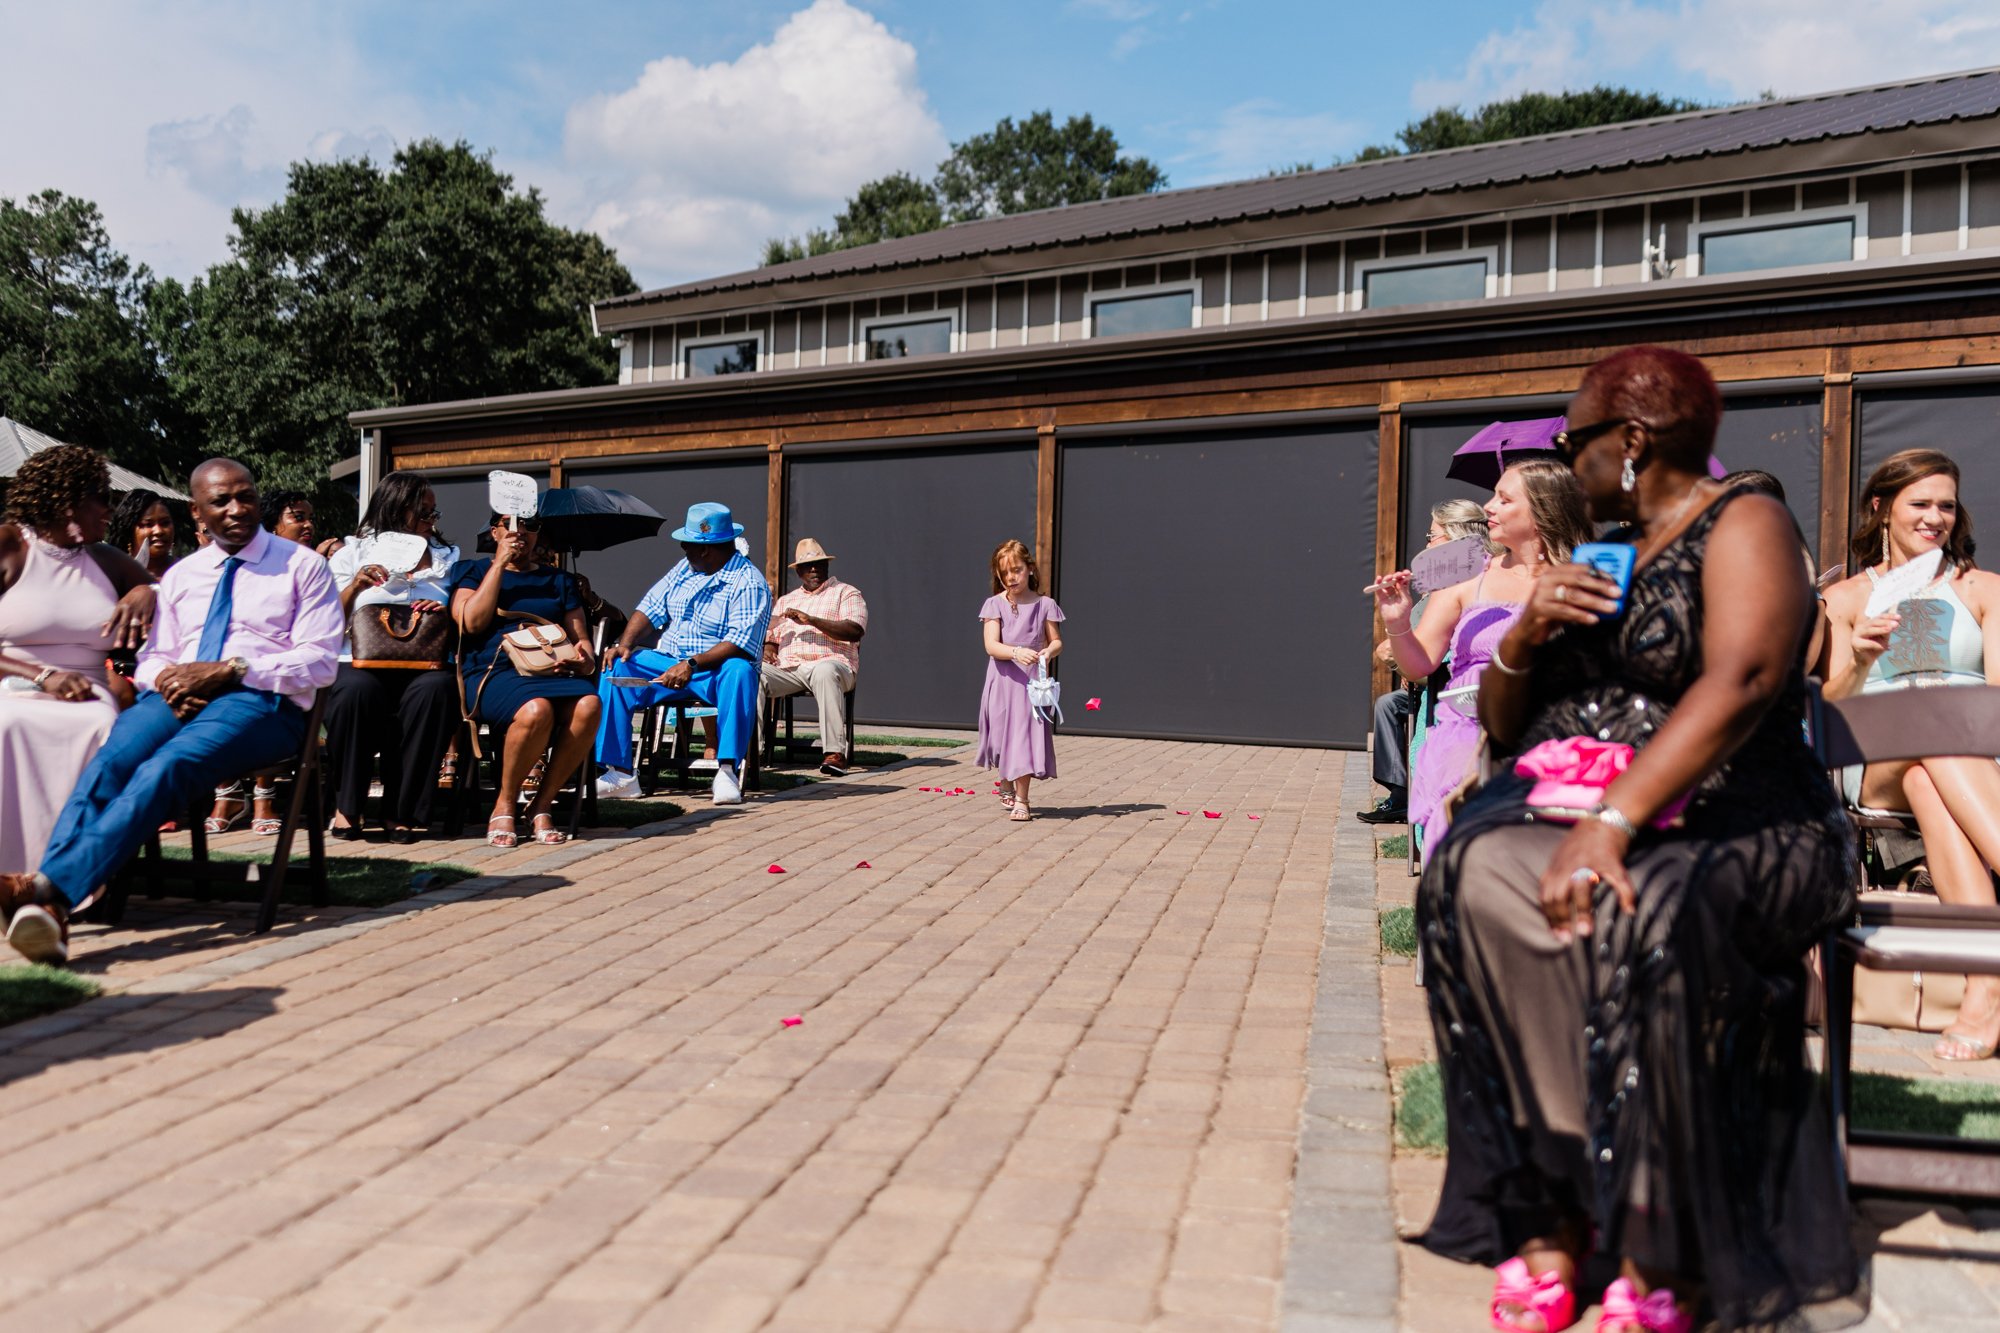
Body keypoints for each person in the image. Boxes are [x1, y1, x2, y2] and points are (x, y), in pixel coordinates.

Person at [1419, 347, 1861, 1332]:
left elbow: (1744, 678)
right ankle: (1552, 1202)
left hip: (1742, 813)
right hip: (1583, 805)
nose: (1559, 451)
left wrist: (1613, 822)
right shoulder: (1597, 548)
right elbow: (1498, 722)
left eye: (1571, 437)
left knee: (1652, 910)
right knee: (1471, 873)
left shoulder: (1741, 519)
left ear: (1627, 442)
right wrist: (1525, 633)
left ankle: (1657, 1227)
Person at [0, 459, 344, 963]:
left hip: (263, 702)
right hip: (177, 694)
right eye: (220, 502)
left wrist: (231, 669)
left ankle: (47, 887)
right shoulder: (184, 575)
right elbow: (154, 655)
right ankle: (51, 908)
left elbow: (319, 660)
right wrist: (163, 677)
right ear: (197, 513)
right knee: (113, 758)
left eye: (244, 496)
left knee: (169, 765)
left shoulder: (302, 567)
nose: (236, 510)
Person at [1822, 448, 2000, 1062]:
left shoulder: (1983, 589)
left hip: (1968, 756)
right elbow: (1831, 708)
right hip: (1873, 756)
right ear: (1882, 508)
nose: (1935, 517)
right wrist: (1863, 658)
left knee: (1932, 771)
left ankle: (1986, 990)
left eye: (1945, 505)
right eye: (1919, 503)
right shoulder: (1845, 599)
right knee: (1926, 744)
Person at [1372, 460, 1590, 856]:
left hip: (1554, 744)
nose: (1488, 507)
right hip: (1467, 745)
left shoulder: (1585, 580)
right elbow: (1419, 665)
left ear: (1543, 510)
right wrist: (1398, 621)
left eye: (1504, 499)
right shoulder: (1469, 578)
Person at [0, 446, 156, 874]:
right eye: (103, 497)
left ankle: (71, 872)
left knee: (104, 728)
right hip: (11, 684)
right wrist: (43, 675)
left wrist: (148, 591)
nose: (112, 509)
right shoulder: (10, 545)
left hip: (90, 691)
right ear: (66, 500)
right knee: (5, 724)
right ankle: (9, 871)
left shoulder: (106, 560)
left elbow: (183, 594)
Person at [595, 503, 770, 806]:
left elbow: (739, 643)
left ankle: (727, 770)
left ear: (706, 549)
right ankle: (621, 773)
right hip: (669, 661)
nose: (683, 550)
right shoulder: (685, 568)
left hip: (715, 668)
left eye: (686, 545)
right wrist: (625, 642)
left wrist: (690, 664)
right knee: (616, 668)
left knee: (741, 671)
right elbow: (650, 606)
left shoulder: (749, 582)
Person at [320, 472, 462, 842]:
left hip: (424, 661)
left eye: (434, 513)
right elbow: (327, 621)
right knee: (354, 694)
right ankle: (348, 807)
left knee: (436, 691)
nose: (431, 522)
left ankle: (401, 810)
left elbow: (465, 612)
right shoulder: (354, 552)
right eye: (423, 513)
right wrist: (355, 586)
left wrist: (445, 612)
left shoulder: (448, 558)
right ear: (397, 509)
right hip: (360, 659)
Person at [449, 512, 601, 848]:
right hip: (492, 671)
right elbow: (470, 623)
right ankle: (505, 802)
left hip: (551, 670)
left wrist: (582, 660)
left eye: (530, 526)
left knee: (590, 703)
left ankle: (541, 805)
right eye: (511, 525)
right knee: (536, 710)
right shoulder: (471, 571)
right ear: (495, 532)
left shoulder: (559, 581)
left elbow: (583, 644)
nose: (522, 533)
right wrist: (499, 564)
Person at [1360, 498, 1489, 824]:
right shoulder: (1434, 593)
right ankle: (1399, 793)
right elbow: (1419, 660)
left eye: (1432, 536)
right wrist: (1397, 637)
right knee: (1388, 704)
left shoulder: (1481, 585)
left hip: (1457, 698)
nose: (1427, 544)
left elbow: (1429, 663)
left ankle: (1408, 800)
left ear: (1455, 537)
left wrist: (1400, 655)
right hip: (1434, 688)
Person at [763, 538, 868, 776]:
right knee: (751, 671)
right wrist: (769, 649)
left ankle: (834, 754)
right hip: (790, 668)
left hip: (834, 665)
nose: (814, 569)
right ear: (798, 571)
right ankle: (752, 751)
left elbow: (855, 630)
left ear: (826, 566)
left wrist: (812, 620)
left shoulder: (846, 593)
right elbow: (771, 635)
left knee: (824, 671)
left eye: (819, 564)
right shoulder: (787, 600)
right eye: (808, 566)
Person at [978, 539, 1064, 822]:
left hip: (1031, 684)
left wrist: (1048, 652)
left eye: (1015, 570)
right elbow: (991, 645)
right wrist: (1016, 651)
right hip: (1003, 681)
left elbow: (1057, 642)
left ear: (1029, 568)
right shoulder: (994, 604)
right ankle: (1005, 776)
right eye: (1004, 573)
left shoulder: (1045, 604)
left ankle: (1023, 800)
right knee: (1002, 739)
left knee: (1023, 739)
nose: (1010, 578)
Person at [108, 488, 181, 579]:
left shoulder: (186, 571)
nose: (159, 531)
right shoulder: (113, 576)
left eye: (165, 523)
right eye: (148, 524)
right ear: (129, 529)